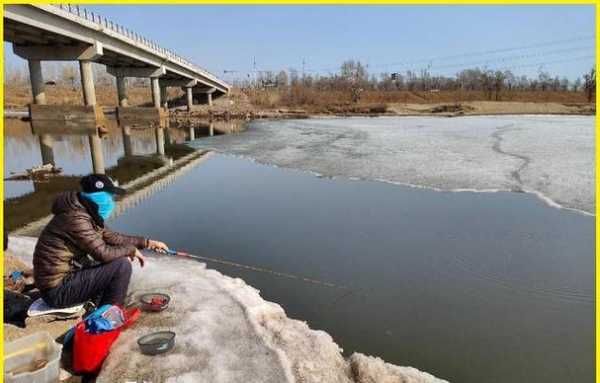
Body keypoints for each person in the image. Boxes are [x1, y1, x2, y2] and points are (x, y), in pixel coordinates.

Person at [33, 174, 169, 308]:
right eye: (109, 197)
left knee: (107, 264)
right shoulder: (76, 219)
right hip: (56, 291)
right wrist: (130, 250)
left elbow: (114, 238)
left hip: (66, 278)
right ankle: (109, 316)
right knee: (121, 265)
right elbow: (103, 253)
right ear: (97, 197)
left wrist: (148, 242)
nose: (112, 202)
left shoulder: (87, 214)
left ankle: (99, 306)